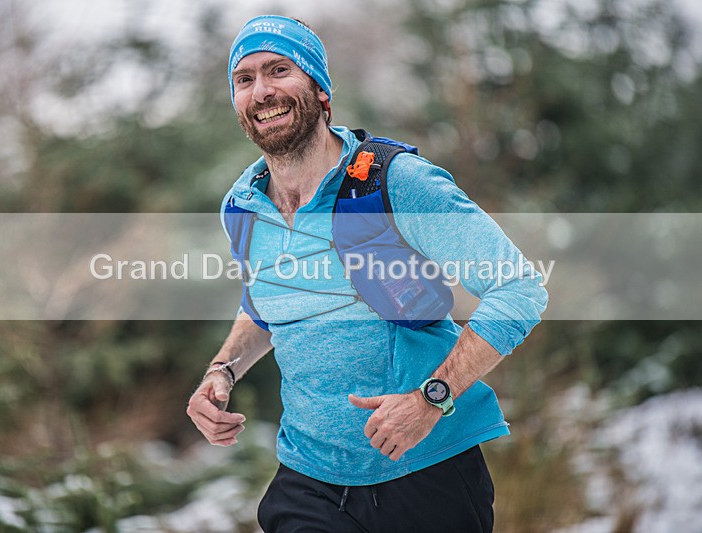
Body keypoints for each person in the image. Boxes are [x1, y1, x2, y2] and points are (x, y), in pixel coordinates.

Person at [186, 15, 548, 532]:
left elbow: (518, 288)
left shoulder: (395, 181)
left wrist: (430, 399)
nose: (261, 91)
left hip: (425, 470)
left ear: (320, 89)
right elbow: (263, 305)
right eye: (245, 79)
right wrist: (221, 371)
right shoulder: (243, 206)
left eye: (279, 70)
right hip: (309, 478)